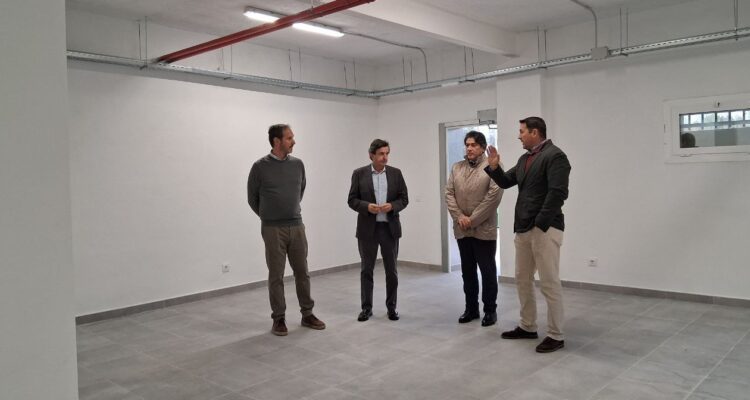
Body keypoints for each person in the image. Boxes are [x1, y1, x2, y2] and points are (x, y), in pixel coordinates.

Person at [485, 116, 571, 353]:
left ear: (535, 132)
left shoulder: (555, 156)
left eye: (522, 131)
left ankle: (556, 334)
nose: (519, 135)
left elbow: (558, 193)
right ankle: (528, 326)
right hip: (523, 228)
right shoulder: (525, 159)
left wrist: (540, 223)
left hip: (545, 228)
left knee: (549, 282)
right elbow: (506, 182)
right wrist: (494, 167)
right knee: (522, 279)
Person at [247, 124, 326, 336]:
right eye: (289, 138)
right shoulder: (259, 167)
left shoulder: (298, 165)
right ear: (277, 141)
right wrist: (268, 216)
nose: (294, 141)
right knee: (276, 275)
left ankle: (307, 314)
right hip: (272, 229)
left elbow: (300, 190)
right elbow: (252, 198)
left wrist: (290, 210)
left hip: (297, 225)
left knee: (302, 272)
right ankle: (279, 318)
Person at [445, 131, 502, 327]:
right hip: (462, 229)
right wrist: (460, 217)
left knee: (487, 271)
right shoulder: (457, 167)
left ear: (482, 147)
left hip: (484, 229)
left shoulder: (492, 167)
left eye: (474, 145)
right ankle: (471, 309)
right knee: (467, 271)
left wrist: (473, 219)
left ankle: (490, 311)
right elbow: (449, 194)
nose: (469, 148)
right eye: (467, 144)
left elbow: (493, 197)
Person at [347, 139, 408, 322]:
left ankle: (392, 308)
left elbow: (404, 199)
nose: (385, 157)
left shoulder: (396, 173)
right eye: (381, 154)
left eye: (387, 153)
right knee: (367, 270)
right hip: (368, 231)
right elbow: (352, 200)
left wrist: (392, 206)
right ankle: (366, 308)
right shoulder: (359, 174)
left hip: (390, 230)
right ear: (371, 155)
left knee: (392, 271)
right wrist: (366, 207)